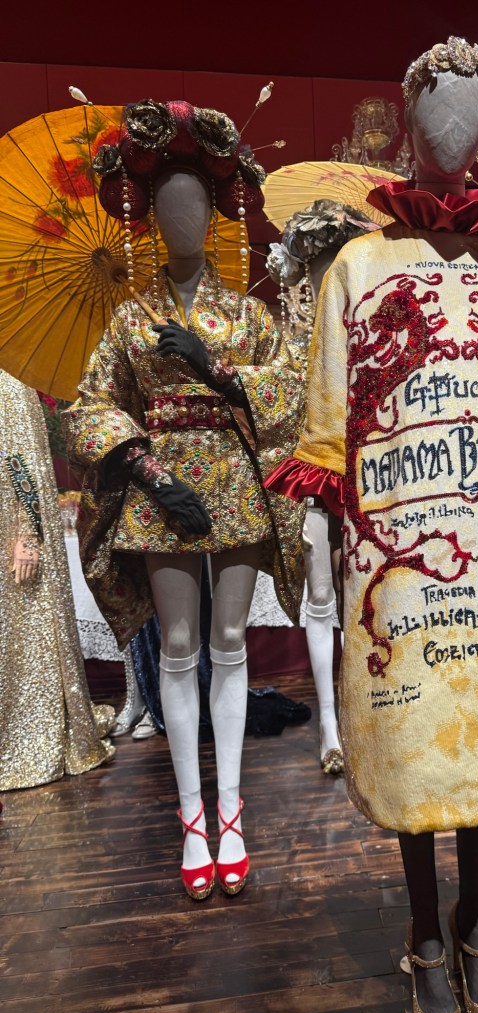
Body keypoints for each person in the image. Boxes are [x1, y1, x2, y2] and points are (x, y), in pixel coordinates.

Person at [267, 38, 478, 1013]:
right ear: (408, 126)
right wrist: (332, 521)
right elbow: (328, 415)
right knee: (419, 738)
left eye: (468, 109)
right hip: (403, 542)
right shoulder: (359, 264)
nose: (449, 129)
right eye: (433, 108)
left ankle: (477, 920)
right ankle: (425, 928)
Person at [66, 99, 305, 899]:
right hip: (161, 489)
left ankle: (231, 806)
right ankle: (192, 812)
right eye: (167, 208)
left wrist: (215, 367)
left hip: (234, 480)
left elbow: (289, 391)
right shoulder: (129, 319)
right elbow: (88, 406)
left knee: (229, 640)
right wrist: (151, 471)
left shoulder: (249, 315)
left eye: (193, 206)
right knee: (179, 646)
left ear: (214, 213)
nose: (181, 221)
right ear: (150, 221)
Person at [266, 198, 379, 773]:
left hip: (369, 476)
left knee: (367, 594)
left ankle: (365, 717)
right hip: (313, 481)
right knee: (321, 598)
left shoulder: (370, 333)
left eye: (331, 264)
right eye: (313, 267)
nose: (321, 278)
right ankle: (330, 726)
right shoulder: (291, 342)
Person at [0, 369, 114, 793]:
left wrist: (29, 537)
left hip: (9, 537)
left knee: (24, 637)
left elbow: (23, 462)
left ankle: (29, 735)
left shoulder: (9, 381)